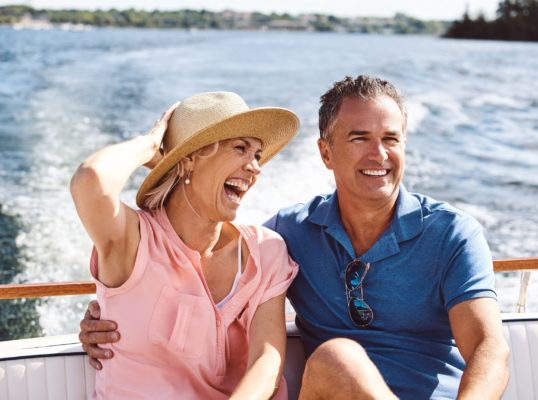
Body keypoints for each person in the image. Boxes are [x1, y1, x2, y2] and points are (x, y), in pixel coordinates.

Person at [79, 76, 510, 399]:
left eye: (390, 139)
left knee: (335, 357)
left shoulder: (452, 233)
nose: (379, 154)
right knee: (335, 358)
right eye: (360, 138)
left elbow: (490, 347)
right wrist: (111, 306)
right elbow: (114, 207)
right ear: (325, 152)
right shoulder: (289, 234)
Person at [71, 91, 300, 399]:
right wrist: (151, 146)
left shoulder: (267, 250)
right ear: (189, 159)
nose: (255, 167)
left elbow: (266, 361)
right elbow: (90, 179)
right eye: (240, 148)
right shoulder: (133, 239)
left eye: (257, 155)